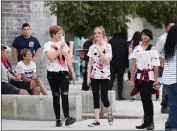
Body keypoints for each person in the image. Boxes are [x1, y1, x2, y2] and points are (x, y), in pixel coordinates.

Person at [44, 25, 76, 127]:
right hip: (52, 73)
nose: (61, 35)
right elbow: (51, 58)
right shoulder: (48, 45)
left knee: (65, 94)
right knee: (56, 95)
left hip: (63, 73)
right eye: (59, 33)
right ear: (53, 34)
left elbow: (67, 59)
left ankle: (67, 118)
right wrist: (59, 47)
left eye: (61, 33)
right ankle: (58, 119)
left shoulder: (64, 45)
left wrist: (73, 72)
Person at [129, 29, 160, 130]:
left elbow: (155, 66)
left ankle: (150, 122)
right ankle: (146, 121)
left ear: (150, 37)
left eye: (147, 35)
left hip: (149, 77)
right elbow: (133, 65)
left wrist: (156, 80)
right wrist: (131, 79)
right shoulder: (137, 48)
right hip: (139, 77)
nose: (145, 36)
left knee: (148, 99)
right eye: (143, 34)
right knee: (143, 99)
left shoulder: (152, 48)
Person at [87, 26, 113, 127]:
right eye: (95, 33)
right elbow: (89, 63)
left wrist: (99, 50)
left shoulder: (108, 46)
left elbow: (106, 61)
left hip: (105, 75)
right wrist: (88, 77)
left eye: (99, 33)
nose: (97, 35)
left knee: (104, 97)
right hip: (94, 75)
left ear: (103, 34)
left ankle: (109, 113)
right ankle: (97, 120)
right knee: (95, 96)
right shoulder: (91, 47)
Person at [155, 23, 175, 114]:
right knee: (167, 85)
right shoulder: (162, 39)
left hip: (172, 65)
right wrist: (160, 62)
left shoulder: (173, 37)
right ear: (167, 28)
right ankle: (164, 106)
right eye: (171, 27)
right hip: (165, 65)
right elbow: (157, 52)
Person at [162, 24, 177, 131]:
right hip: (175, 78)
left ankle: (170, 125)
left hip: (167, 79)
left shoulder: (167, 46)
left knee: (173, 104)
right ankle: (171, 125)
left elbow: (163, 62)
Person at [108, 27, 129, 100]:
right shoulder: (125, 42)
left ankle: (108, 94)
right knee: (120, 79)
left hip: (112, 62)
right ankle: (120, 95)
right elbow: (127, 53)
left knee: (111, 78)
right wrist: (127, 64)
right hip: (122, 63)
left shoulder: (111, 41)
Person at [128, 31, 141, 101]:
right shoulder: (140, 44)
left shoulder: (130, 43)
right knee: (138, 78)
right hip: (138, 61)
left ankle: (134, 94)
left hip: (130, 60)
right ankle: (135, 94)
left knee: (133, 77)